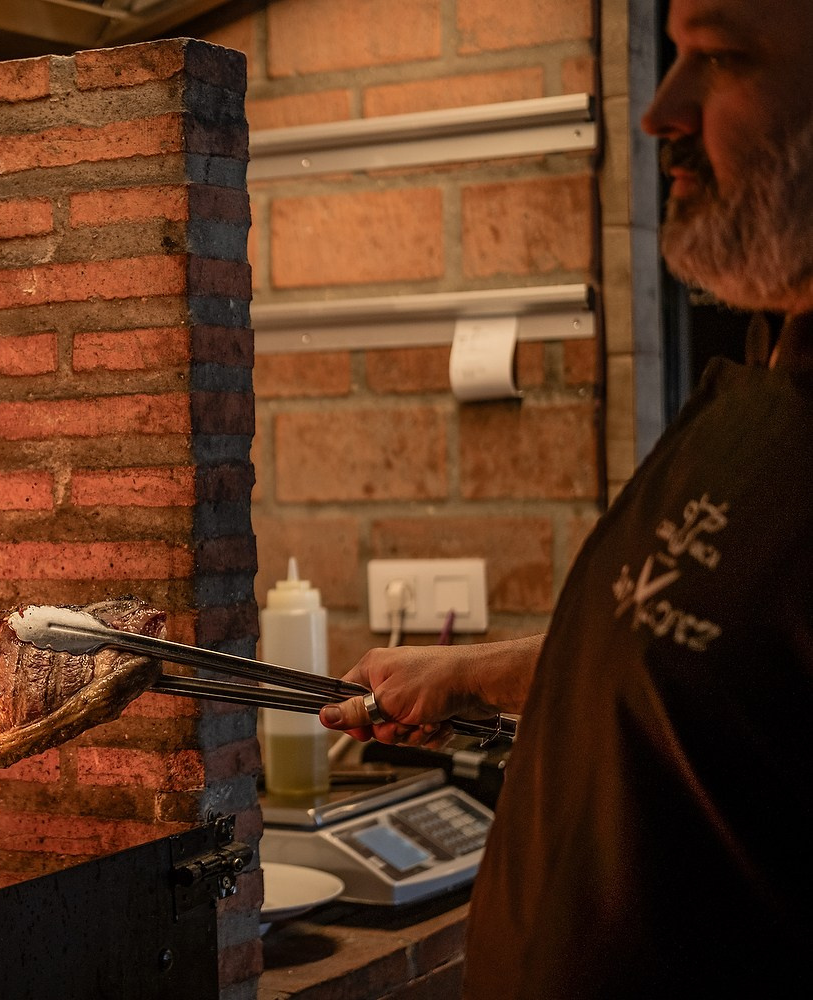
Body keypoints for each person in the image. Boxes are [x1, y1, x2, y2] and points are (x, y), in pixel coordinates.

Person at [316, 1, 813, 996]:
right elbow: (708, 654)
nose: (658, 112)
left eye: (718, 58)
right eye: (673, 55)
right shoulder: (773, 365)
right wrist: (474, 671)